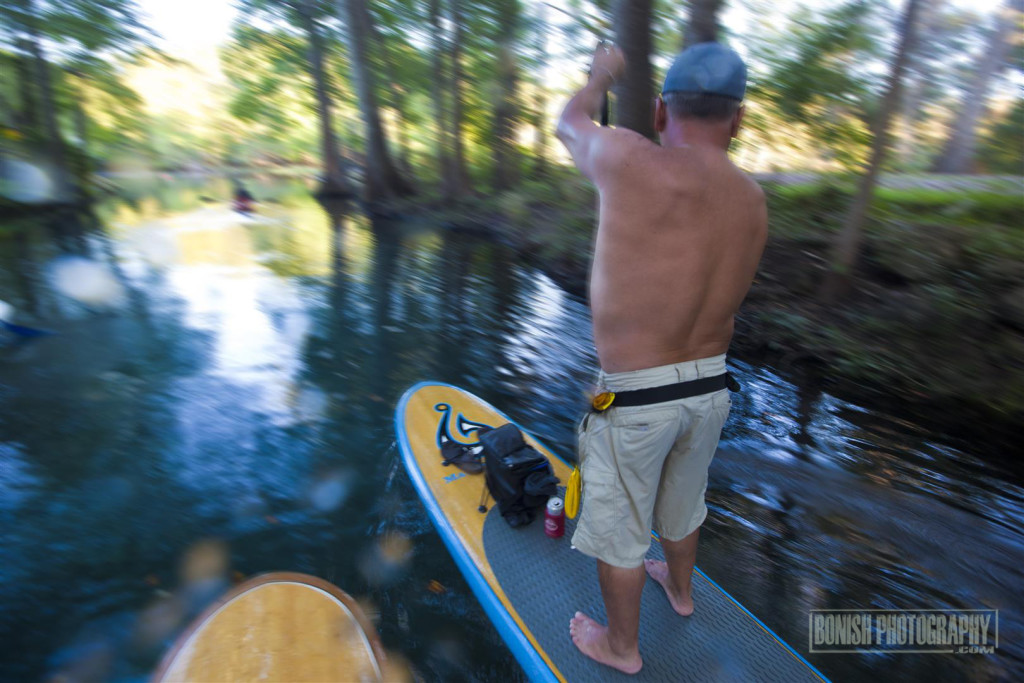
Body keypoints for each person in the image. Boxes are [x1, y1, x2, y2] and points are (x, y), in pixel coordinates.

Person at [555, 41, 767, 675]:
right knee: (684, 501)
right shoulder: (753, 200)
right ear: (738, 120)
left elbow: (569, 123)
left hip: (635, 395)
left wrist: (601, 74)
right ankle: (678, 591)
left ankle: (621, 648)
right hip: (710, 388)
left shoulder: (625, 156)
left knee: (619, 528)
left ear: (658, 112)